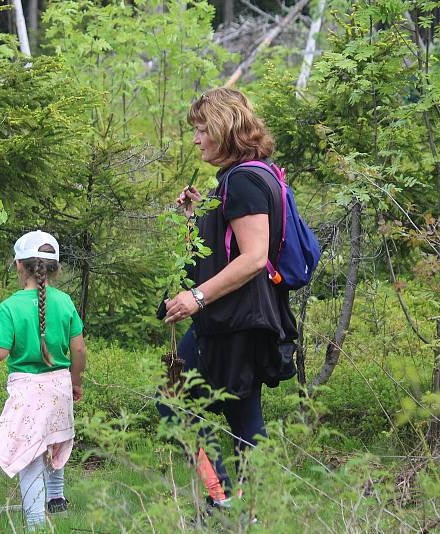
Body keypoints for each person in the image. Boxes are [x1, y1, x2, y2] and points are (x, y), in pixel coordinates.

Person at [162, 88, 297, 508]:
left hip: (233, 318)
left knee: (171, 403)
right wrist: (199, 216)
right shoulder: (258, 173)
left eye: (202, 130)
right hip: (249, 315)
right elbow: (230, 247)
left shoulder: (242, 181)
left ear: (222, 129)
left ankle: (223, 498)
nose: (196, 139)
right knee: (242, 413)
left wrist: (196, 298)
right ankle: (251, 510)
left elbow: (254, 257)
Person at [0, 231, 87, 531]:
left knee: (30, 451)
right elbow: (78, 348)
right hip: (59, 384)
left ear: (18, 266)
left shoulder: (11, 306)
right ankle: (57, 499)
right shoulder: (65, 302)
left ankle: (35, 522)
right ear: (55, 268)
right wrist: (75, 382)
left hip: (27, 389)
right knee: (54, 439)